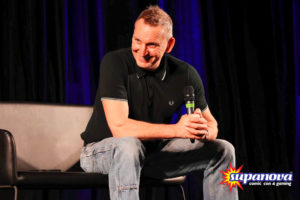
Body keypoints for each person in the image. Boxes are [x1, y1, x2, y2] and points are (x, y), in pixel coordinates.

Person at [80, 5, 238, 200]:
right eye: (137, 41)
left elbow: (212, 124)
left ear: (169, 45)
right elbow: (120, 128)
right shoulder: (115, 63)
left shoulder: (186, 74)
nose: (142, 51)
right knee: (129, 145)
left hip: (152, 155)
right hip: (99, 152)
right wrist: (178, 130)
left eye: (152, 45)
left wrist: (202, 130)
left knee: (223, 150)